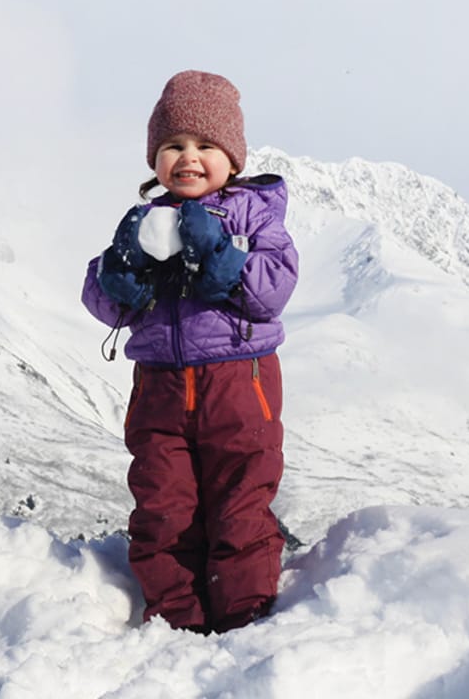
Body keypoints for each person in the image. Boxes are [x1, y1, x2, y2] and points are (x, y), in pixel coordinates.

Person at [81, 70, 299, 634]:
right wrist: (121, 276)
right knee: (163, 508)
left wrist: (220, 255)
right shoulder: (144, 222)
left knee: (240, 503)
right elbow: (103, 302)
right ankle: (177, 624)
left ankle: (244, 617)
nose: (188, 158)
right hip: (160, 390)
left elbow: (273, 288)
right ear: (155, 158)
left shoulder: (253, 215)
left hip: (238, 387)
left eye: (205, 145)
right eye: (173, 146)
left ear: (233, 157)